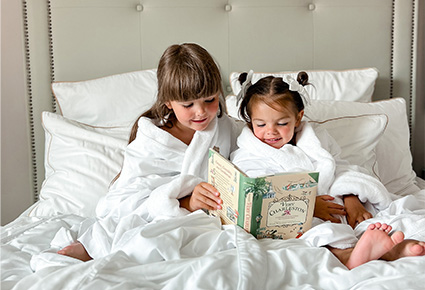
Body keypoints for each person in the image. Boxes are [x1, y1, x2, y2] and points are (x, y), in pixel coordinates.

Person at [57, 43, 243, 261]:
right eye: (188, 104)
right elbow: (126, 201)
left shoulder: (224, 126)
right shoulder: (151, 141)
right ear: (168, 102)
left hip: (212, 213)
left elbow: (250, 147)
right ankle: (95, 246)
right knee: (148, 234)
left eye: (210, 100)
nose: (201, 111)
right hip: (163, 210)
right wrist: (186, 202)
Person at [230, 71, 425, 269]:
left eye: (282, 123)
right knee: (320, 235)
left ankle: (392, 248)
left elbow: (340, 167)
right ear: (250, 121)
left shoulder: (316, 140)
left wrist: (352, 198)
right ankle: (349, 256)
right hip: (293, 217)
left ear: (298, 118)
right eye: (261, 124)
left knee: (380, 219)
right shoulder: (247, 155)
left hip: (337, 205)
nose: (270, 131)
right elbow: (256, 198)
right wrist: (308, 208)